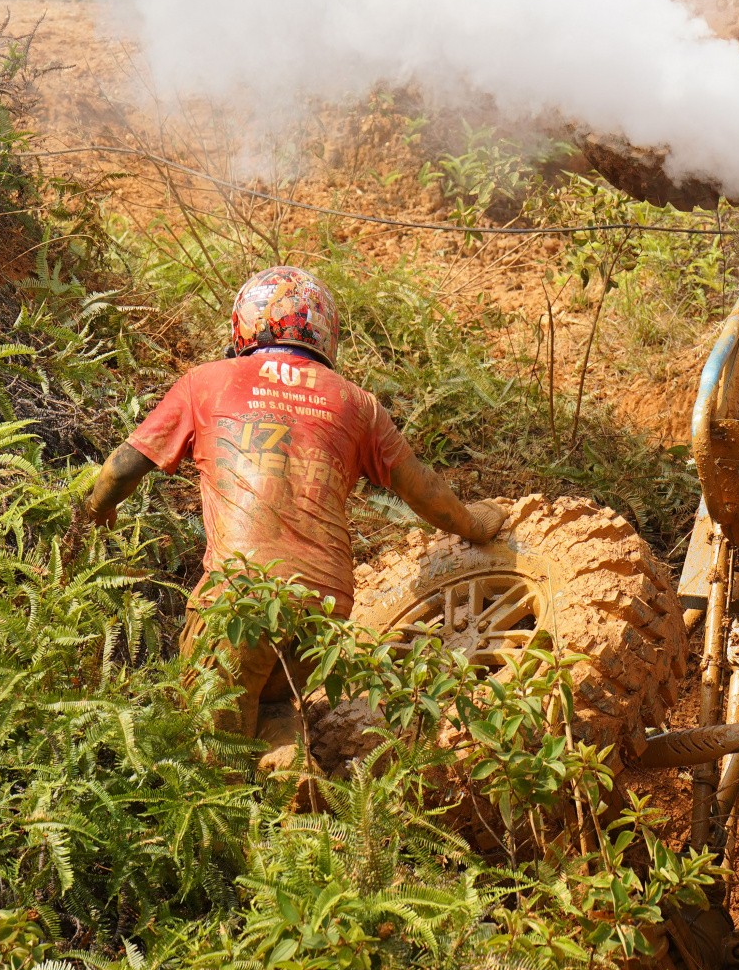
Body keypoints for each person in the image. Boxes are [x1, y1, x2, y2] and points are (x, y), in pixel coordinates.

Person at [80, 267, 506, 758]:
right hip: (324, 608)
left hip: (240, 598)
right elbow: (423, 490)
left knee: (209, 742)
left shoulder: (205, 383)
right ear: (325, 331)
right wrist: (476, 523)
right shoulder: (357, 403)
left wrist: (90, 513)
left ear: (244, 324)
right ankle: (295, 802)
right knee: (274, 710)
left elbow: (122, 468)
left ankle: (235, 824)